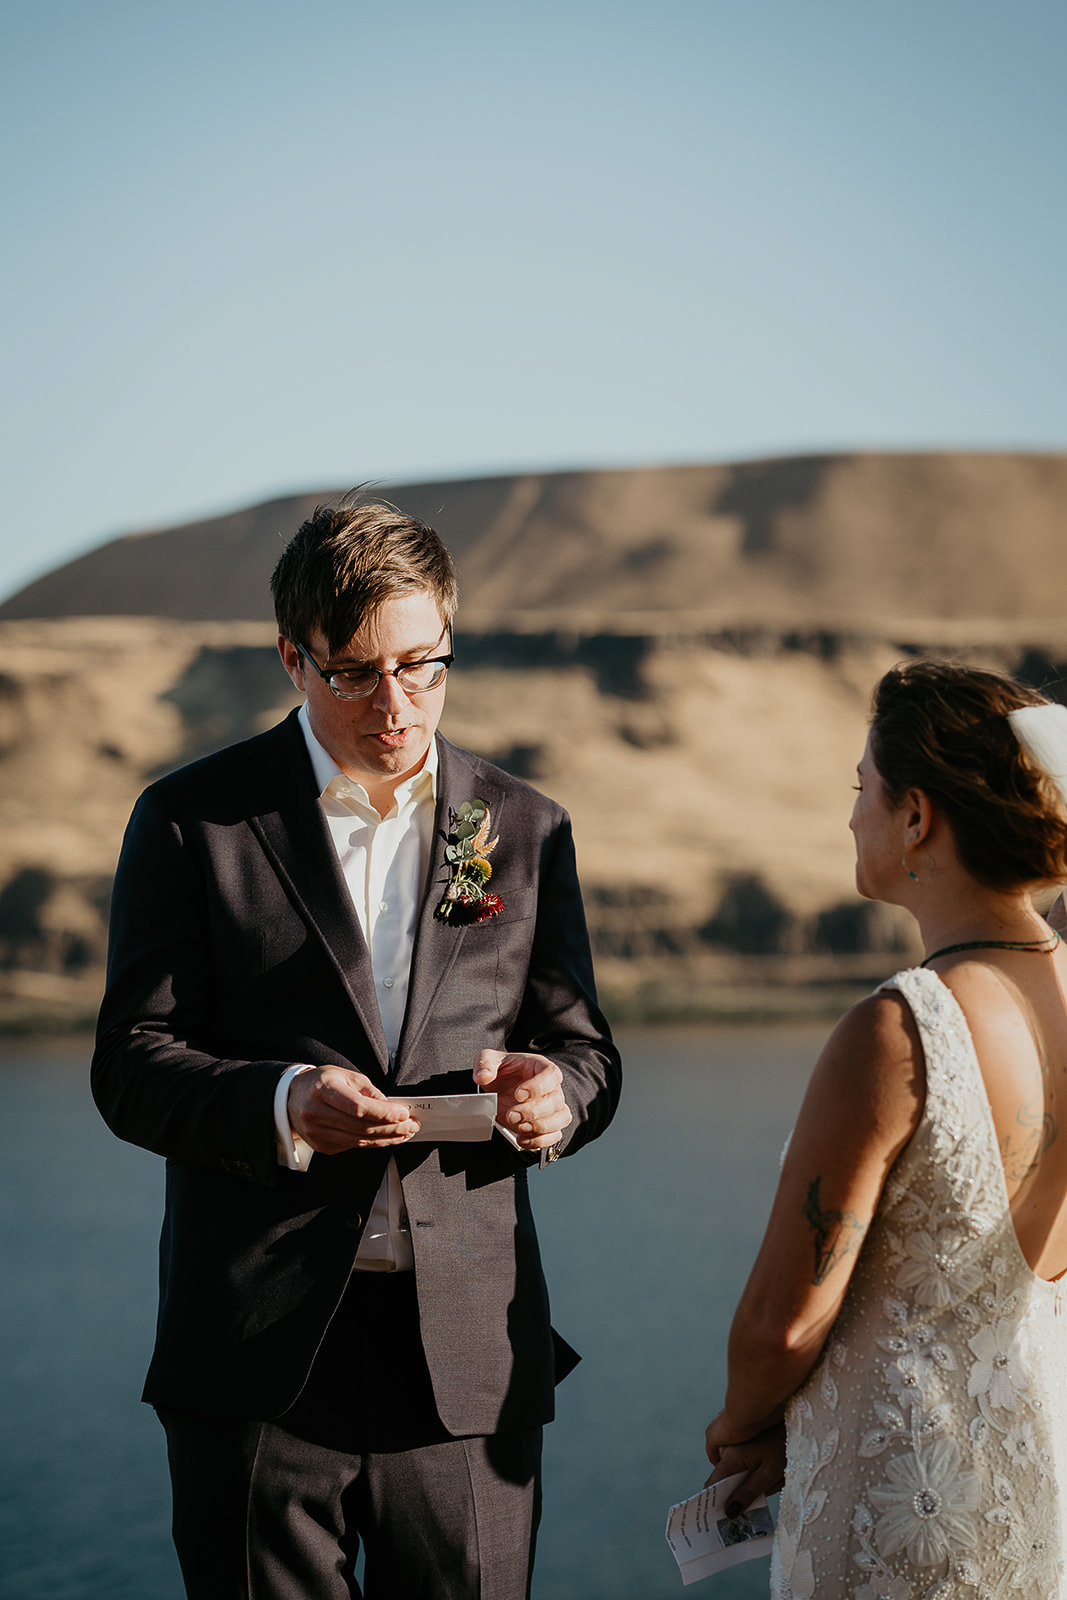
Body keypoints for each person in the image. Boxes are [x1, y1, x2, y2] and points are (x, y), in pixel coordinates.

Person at [91, 494, 622, 1600]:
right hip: (257, 1357)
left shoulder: (523, 826)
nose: (396, 703)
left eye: (424, 665)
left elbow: (583, 1051)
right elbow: (132, 1063)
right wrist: (281, 1102)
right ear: (293, 657)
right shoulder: (193, 820)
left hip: (469, 1357)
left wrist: (553, 1098)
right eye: (355, 672)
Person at [703, 660, 1067, 1598]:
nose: (850, 816)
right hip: (1036, 1500)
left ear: (916, 818)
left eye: (860, 789)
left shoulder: (901, 1029)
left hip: (896, 1520)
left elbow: (781, 1322)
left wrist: (741, 1426)